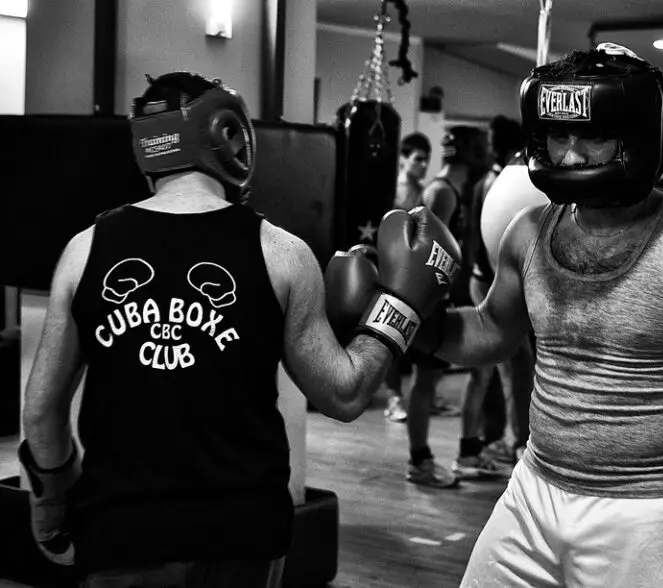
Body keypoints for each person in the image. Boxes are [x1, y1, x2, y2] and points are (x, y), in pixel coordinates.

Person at [18, 71, 461, 588]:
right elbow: (345, 393)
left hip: (122, 533)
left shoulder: (84, 249)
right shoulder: (282, 253)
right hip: (243, 536)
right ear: (230, 136)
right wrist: (401, 304)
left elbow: (41, 411)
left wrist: (55, 499)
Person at [431, 44, 663, 587]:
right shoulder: (528, 231)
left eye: (591, 135)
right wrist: (410, 322)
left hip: (639, 514)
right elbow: (492, 331)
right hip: (531, 490)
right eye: (558, 135)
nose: (568, 155)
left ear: (635, 138)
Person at [397, 126, 487, 489]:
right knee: (424, 380)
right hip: (429, 300)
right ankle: (419, 462)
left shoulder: (448, 190)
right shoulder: (442, 194)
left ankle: (445, 455)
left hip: (438, 298)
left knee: (444, 376)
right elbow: (429, 255)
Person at [452, 115, 529, 479]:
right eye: (489, 139)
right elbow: (474, 243)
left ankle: (490, 440)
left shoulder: (507, 179)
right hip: (489, 283)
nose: (490, 145)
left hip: (503, 283)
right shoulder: (492, 182)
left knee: (503, 369)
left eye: (496, 139)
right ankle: (504, 444)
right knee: (500, 368)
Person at [382, 132, 433, 423]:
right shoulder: (399, 190)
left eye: (426, 159)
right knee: (393, 330)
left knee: (413, 331)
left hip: (413, 267)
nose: (423, 164)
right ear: (403, 159)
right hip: (394, 267)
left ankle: (416, 394)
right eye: (417, 159)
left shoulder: (420, 188)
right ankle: (393, 397)